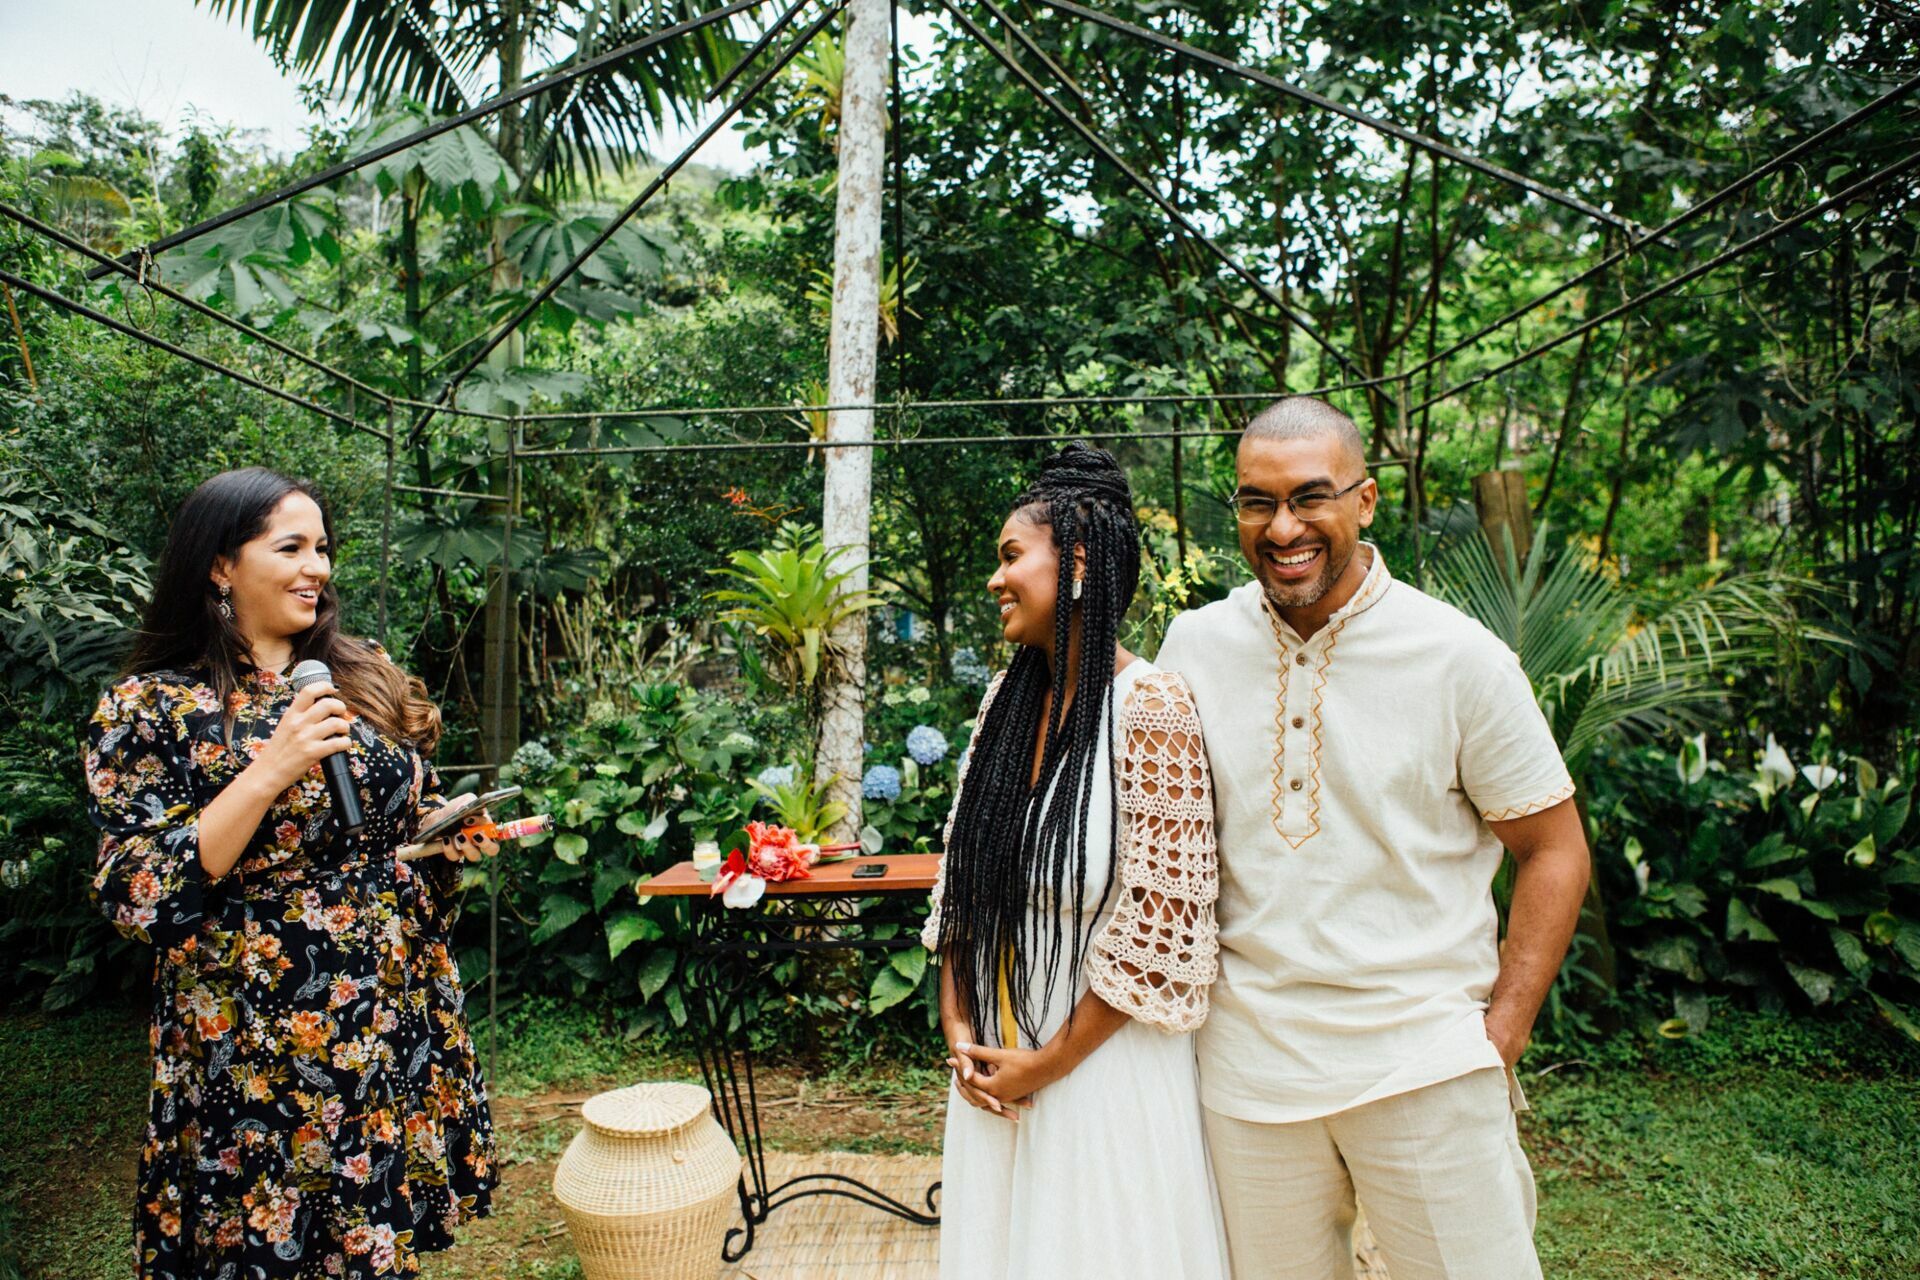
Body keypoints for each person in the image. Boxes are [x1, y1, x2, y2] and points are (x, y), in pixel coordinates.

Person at [1155, 397, 1591, 1280]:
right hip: (1247, 1074)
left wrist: (1498, 1034)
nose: (1282, 528)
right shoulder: (1192, 647)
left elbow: (1554, 848)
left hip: (1423, 1061)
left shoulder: (1459, 658)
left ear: (1367, 500)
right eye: (1255, 502)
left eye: (1309, 497)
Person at [84, 468, 498, 1280]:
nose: (319, 567)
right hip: (258, 1034)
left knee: (376, 1240)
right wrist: (268, 769)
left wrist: (443, 842)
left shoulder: (356, 671)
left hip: (389, 1005)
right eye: (292, 547)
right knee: (274, 1246)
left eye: (324, 548)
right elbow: (138, 889)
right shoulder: (149, 707)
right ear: (219, 564)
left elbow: (398, 817)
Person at [921, 442, 1229, 1280]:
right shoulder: (1005, 702)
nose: (996, 579)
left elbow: (1161, 924)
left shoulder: (1150, 707)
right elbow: (964, 882)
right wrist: (960, 1022)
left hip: (1100, 1068)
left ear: (1080, 564)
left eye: (1011, 556)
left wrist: (1048, 1063)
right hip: (995, 1058)